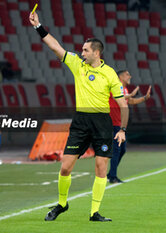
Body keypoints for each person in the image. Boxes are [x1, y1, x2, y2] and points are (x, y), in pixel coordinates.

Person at [29, 11, 129, 222]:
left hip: (102, 122)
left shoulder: (110, 73)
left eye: (85, 50)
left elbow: (123, 105)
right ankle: (62, 204)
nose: (81, 52)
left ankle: (94, 212)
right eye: (82, 50)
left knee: (101, 167)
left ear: (96, 53)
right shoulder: (77, 65)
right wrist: (38, 26)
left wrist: (122, 130)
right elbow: (55, 46)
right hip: (81, 121)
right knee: (65, 167)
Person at [108, 70, 151, 183]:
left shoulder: (125, 89)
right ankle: (112, 176)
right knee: (117, 150)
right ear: (120, 77)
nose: (130, 76)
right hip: (113, 123)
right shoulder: (115, 86)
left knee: (122, 150)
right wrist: (130, 95)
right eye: (127, 74)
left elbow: (129, 100)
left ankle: (110, 173)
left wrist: (144, 98)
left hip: (121, 124)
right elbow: (121, 97)